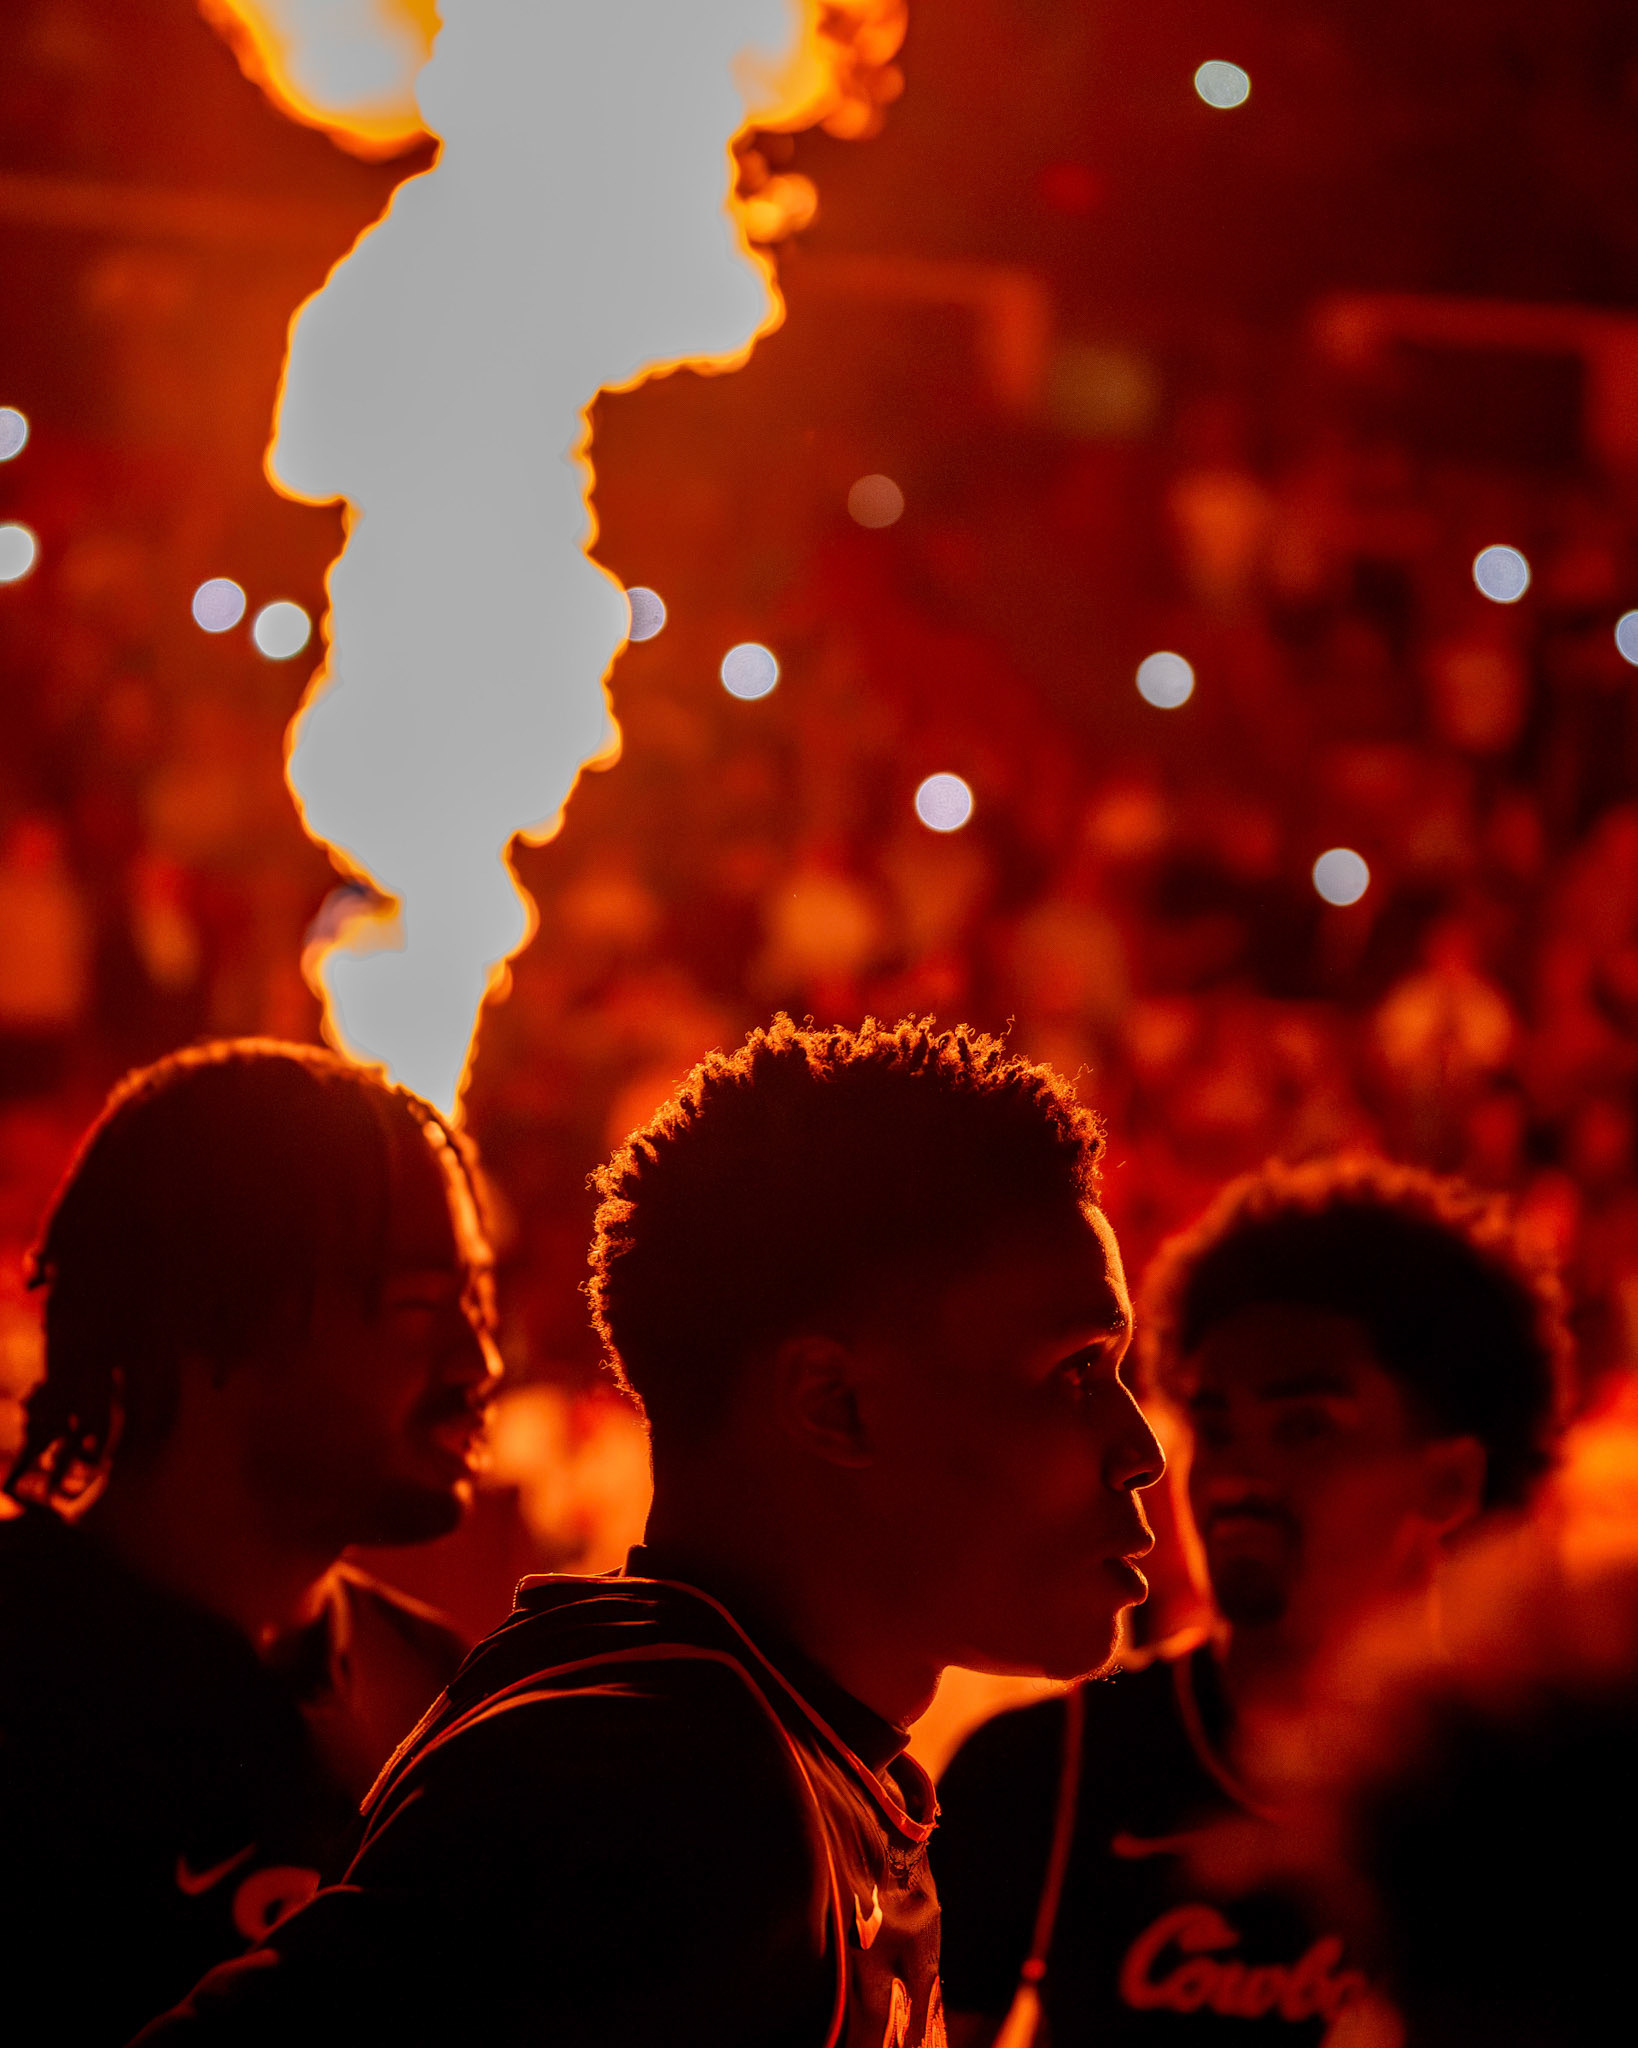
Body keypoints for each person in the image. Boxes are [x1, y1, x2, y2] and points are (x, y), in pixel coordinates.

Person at [139, 1015, 1164, 2048]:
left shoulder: (779, 1744)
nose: (1141, 1448)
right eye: (1075, 1369)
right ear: (834, 1404)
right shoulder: (655, 1784)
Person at [932, 1155, 1570, 2048]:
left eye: (1302, 1426)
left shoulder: (1541, 1806)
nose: (1233, 1475)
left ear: (1453, 1479)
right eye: (1213, 1422)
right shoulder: (1048, 1767)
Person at [0, 1039, 500, 2044]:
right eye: (415, 1307)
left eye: (477, 1300)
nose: (478, 1359)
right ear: (210, 1317)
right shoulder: (20, 1679)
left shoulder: (441, 1692)